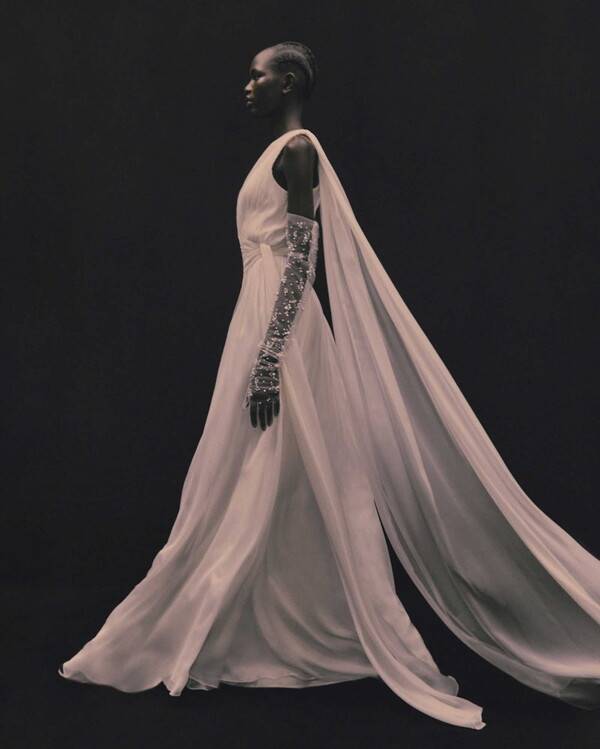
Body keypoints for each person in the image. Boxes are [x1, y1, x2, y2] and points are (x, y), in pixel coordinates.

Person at [58, 41, 600, 731]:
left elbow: (302, 258)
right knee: (256, 474)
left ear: (288, 81)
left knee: (274, 470)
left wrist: (269, 356)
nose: (247, 86)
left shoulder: (299, 150)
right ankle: (254, 620)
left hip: (279, 330)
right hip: (256, 320)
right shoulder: (279, 152)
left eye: (257, 75)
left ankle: (270, 623)